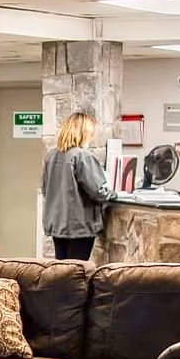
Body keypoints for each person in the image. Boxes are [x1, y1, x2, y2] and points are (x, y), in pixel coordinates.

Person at [41, 112, 114, 261]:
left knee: (62, 270)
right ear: (84, 133)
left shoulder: (52, 156)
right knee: (77, 271)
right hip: (78, 227)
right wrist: (115, 195)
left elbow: (45, 189)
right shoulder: (83, 157)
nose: (92, 137)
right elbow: (97, 192)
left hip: (57, 225)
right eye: (90, 133)